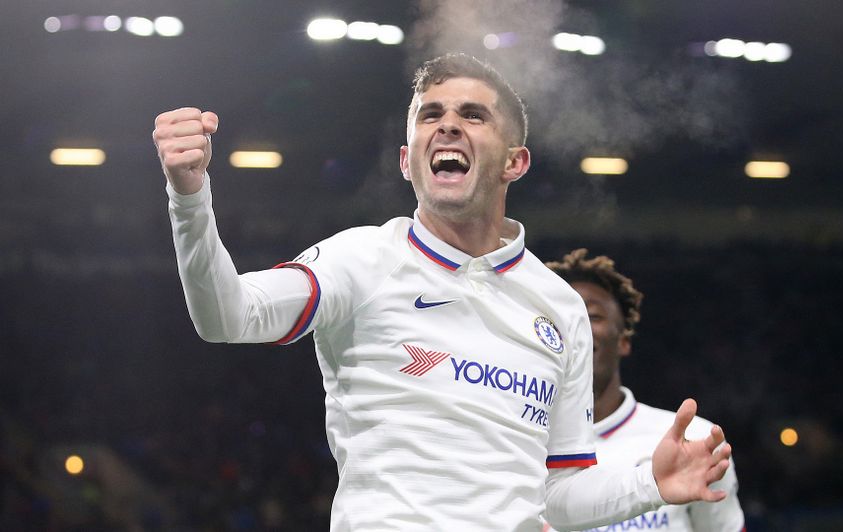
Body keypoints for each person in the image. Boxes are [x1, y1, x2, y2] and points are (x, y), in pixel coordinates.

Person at [152, 53, 732, 531]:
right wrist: (189, 198)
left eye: (473, 115)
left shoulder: (558, 307)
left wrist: (648, 484)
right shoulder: (363, 259)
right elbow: (227, 315)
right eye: (431, 115)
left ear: (515, 161)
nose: (448, 125)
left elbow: (557, 494)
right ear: (408, 161)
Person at [545, 249, 745, 531]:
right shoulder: (515, 445)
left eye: (592, 316)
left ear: (624, 340)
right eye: (559, 318)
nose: (575, 328)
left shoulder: (696, 441)